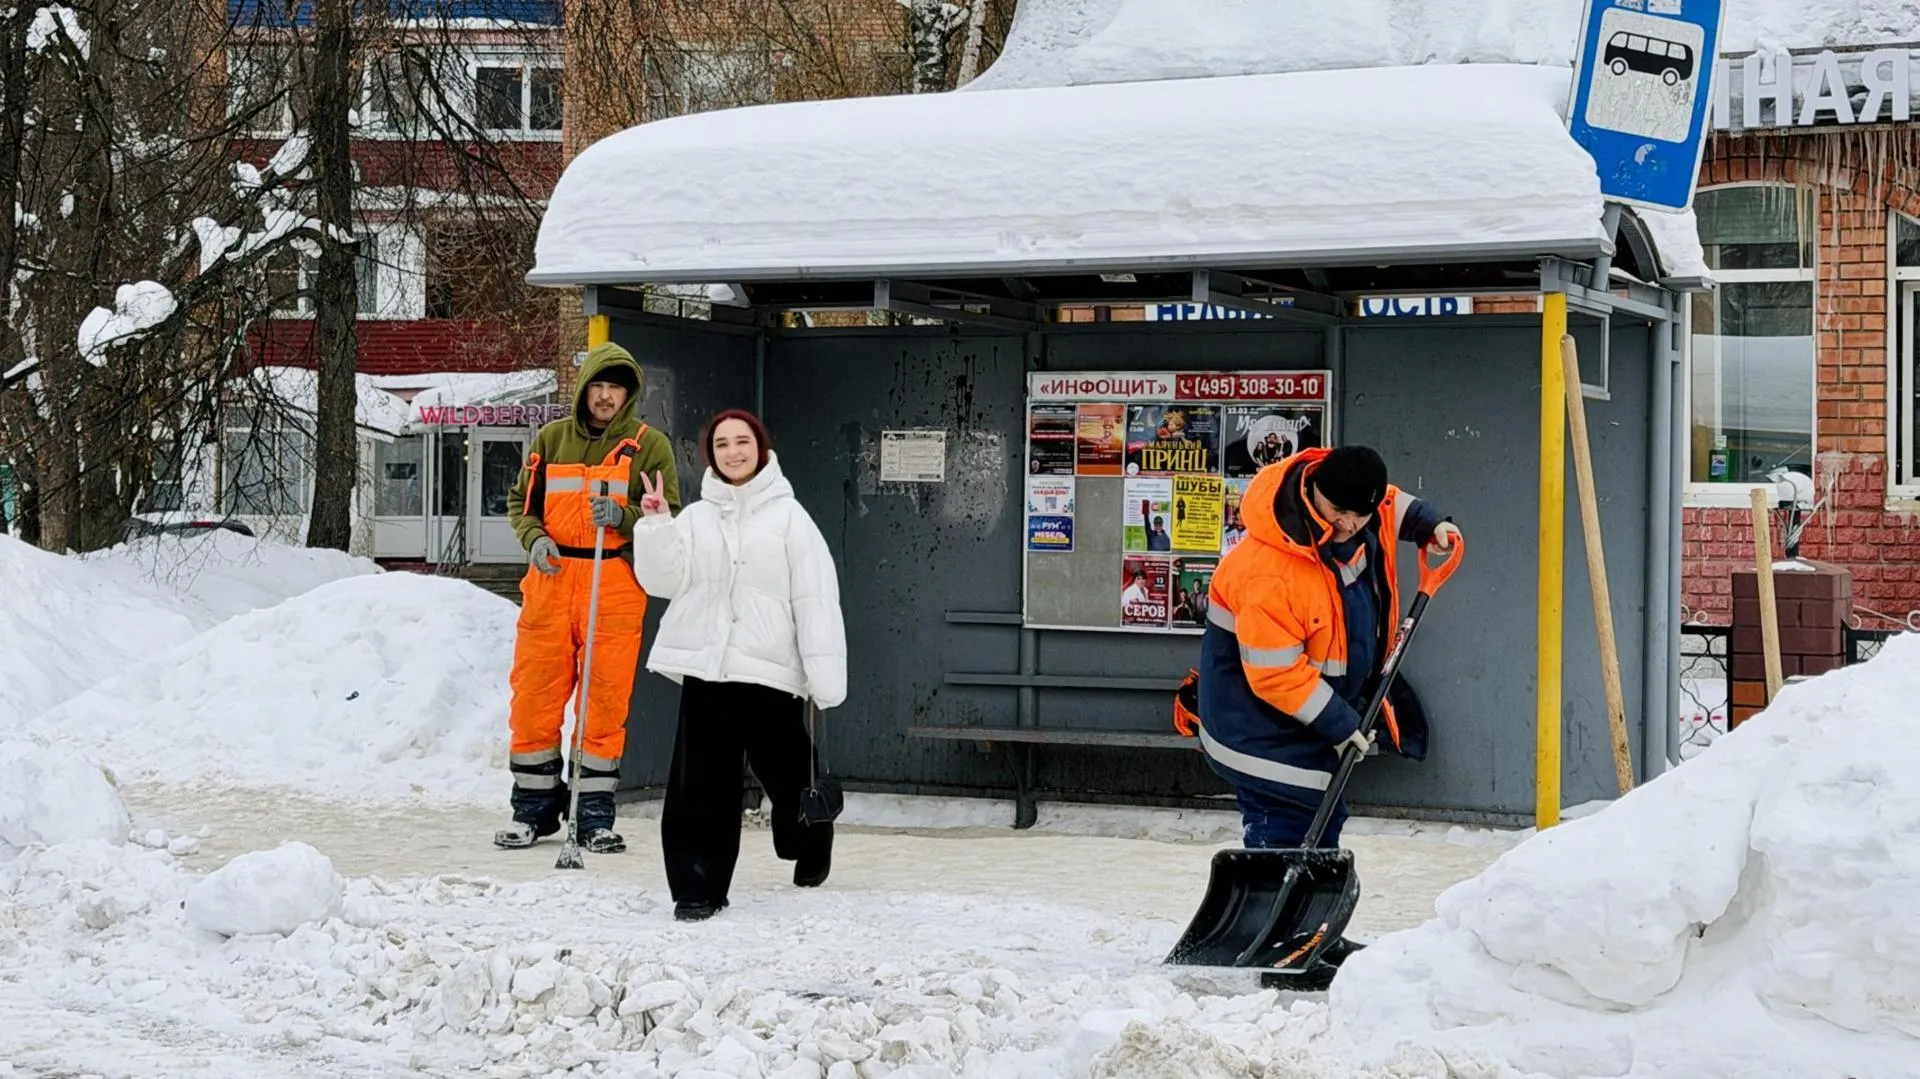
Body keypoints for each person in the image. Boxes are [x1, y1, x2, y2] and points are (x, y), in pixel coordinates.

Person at [627, 409, 847, 922]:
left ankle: (812, 836)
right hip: (708, 666)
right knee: (700, 783)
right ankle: (697, 886)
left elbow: (815, 599)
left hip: (768, 668)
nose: (732, 452)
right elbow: (663, 582)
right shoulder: (695, 518)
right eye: (721, 444)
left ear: (761, 448)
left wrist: (823, 676)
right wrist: (656, 523)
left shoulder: (791, 518)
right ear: (711, 455)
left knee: (789, 772)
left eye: (742, 441)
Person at [1196, 444, 1459, 854]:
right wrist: (1342, 724)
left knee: (1324, 818)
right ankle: (1270, 887)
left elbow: (1389, 503)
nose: (1349, 524)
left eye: (1360, 515)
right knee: (1286, 828)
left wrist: (1429, 523)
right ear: (1316, 489)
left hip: (1308, 719)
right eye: (1339, 511)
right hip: (1259, 729)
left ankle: (1304, 891)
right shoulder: (1270, 571)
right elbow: (1277, 674)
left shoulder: (1357, 514)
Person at [494, 342, 682, 854]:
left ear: (629, 394)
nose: (604, 396)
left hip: (613, 583)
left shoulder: (650, 446)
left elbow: (670, 517)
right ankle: (533, 810)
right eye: (598, 385)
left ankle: (593, 814)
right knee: (533, 698)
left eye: (615, 388)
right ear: (584, 390)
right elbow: (521, 503)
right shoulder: (551, 439)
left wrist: (625, 517)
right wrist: (535, 539)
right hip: (552, 581)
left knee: (603, 702)